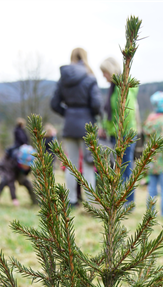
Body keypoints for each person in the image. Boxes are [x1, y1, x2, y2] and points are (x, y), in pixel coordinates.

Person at [51, 47, 102, 204]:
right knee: (88, 164)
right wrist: (92, 115)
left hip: (70, 126)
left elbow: (54, 103)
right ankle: (91, 202)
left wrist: (68, 113)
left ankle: (72, 200)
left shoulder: (63, 79)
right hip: (87, 125)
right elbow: (97, 104)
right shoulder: (90, 77)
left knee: (71, 164)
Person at [100, 56, 140, 206]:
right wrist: (105, 127)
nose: (103, 75)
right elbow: (112, 112)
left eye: (105, 72)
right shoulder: (113, 87)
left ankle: (127, 203)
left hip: (124, 134)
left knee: (125, 169)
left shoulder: (122, 86)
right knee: (119, 169)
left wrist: (119, 132)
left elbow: (126, 112)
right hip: (115, 133)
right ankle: (120, 201)